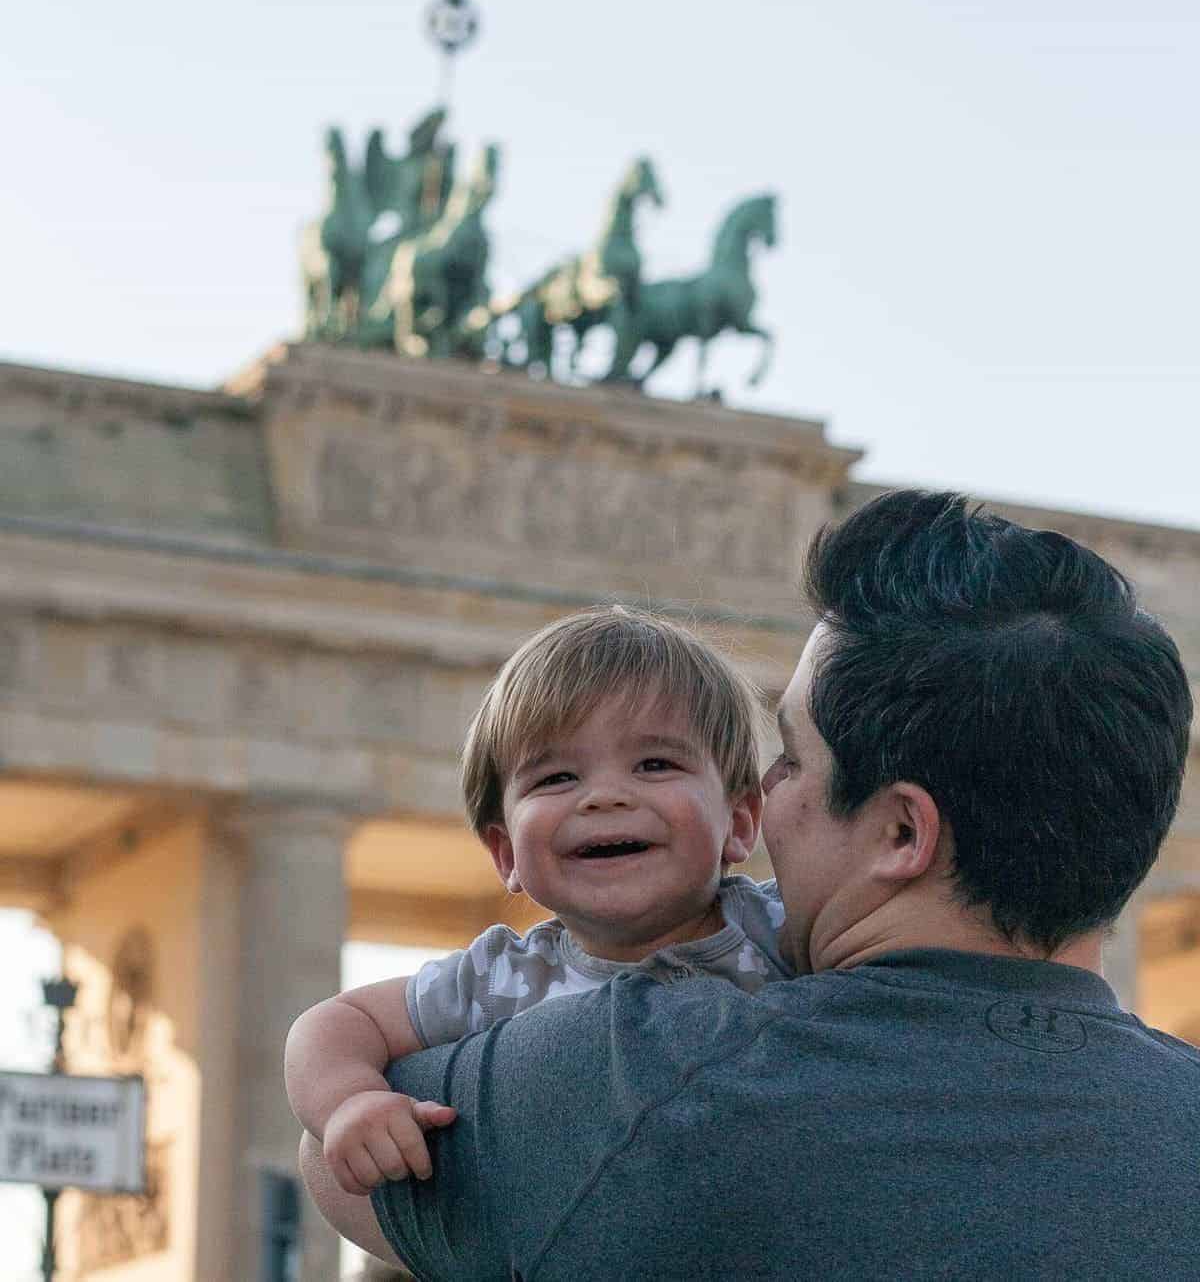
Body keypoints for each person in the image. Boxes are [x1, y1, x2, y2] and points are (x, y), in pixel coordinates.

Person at [299, 490, 1200, 1281]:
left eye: (791, 762)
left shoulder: (629, 1080)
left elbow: (330, 1161)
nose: (765, 802)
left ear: (900, 833)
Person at [286, 607, 790, 1196]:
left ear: (740, 819)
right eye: (556, 779)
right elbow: (335, 1024)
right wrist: (351, 1102)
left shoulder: (783, 930)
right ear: (505, 852)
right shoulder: (502, 977)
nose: (603, 796)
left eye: (655, 764)